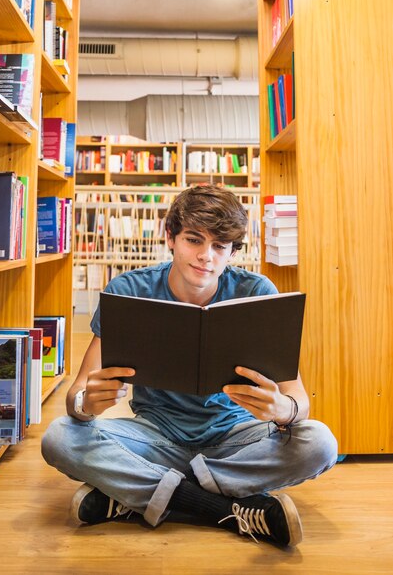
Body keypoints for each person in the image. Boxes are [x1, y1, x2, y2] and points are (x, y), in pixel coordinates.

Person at [42, 184, 338, 548]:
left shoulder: (256, 291)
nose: (206, 257)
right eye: (194, 240)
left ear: (232, 250)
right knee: (60, 436)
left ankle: (137, 495)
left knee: (320, 443)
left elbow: (299, 401)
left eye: (219, 246)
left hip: (235, 438)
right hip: (155, 435)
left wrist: (284, 410)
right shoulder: (129, 290)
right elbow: (77, 393)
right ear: (170, 237)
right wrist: (85, 405)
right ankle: (220, 507)